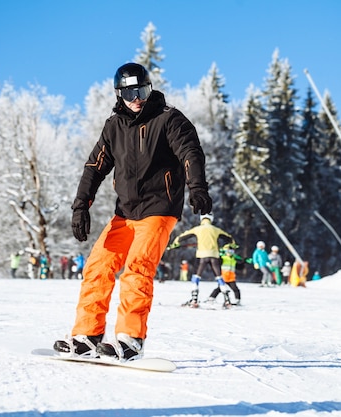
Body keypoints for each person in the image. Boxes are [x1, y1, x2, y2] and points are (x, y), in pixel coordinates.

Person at [54, 62, 212, 361]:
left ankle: (130, 339)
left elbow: (191, 152)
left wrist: (197, 187)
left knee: (138, 269)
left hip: (158, 209)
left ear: (149, 88)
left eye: (142, 90)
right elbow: (94, 168)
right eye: (130, 92)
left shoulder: (170, 119)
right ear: (119, 94)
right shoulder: (114, 126)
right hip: (125, 213)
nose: (137, 97)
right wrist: (80, 207)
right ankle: (87, 335)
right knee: (97, 267)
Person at [170, 213, 234, 307]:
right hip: (214, 255)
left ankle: (194, 299)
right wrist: (231, 245)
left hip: (202, 256)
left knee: (196, 276)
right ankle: (227, 300)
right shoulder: (216, 230)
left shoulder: (198, 229)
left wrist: (175, 244)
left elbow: (182, 236)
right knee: (219, 277)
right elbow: (229, 238)